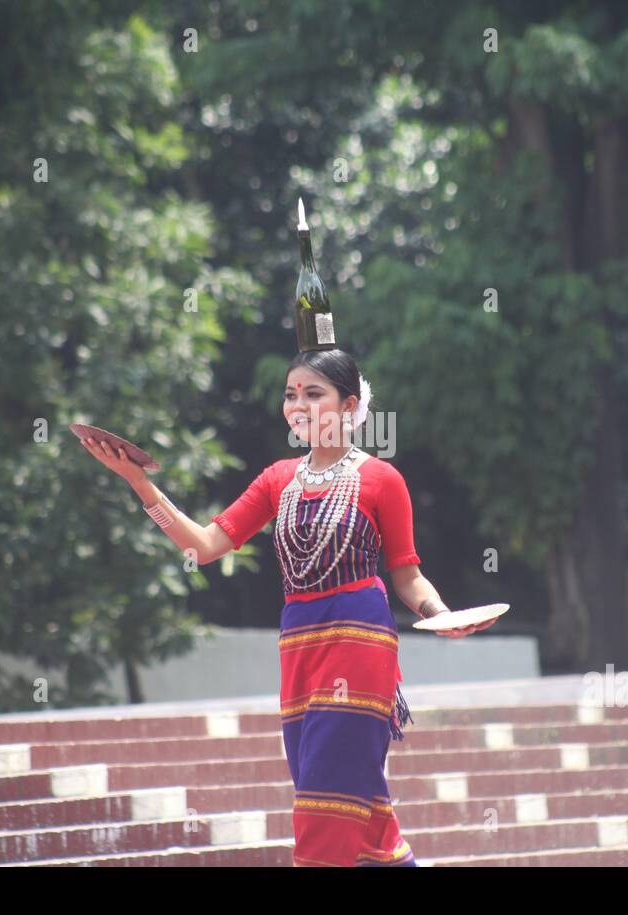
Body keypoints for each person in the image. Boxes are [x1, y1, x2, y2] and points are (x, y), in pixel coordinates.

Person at [80, 349, 500, 866]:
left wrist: (440, 614)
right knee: (364, 817)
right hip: (300, 650)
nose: (297, 404)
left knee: (324, 800)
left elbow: (407, 574)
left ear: (349, 406)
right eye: (290, 394)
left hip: (359, 647)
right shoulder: (277, 480)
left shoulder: (381, 479)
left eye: (313, 393)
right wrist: (139, 484)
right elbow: (202, 548)